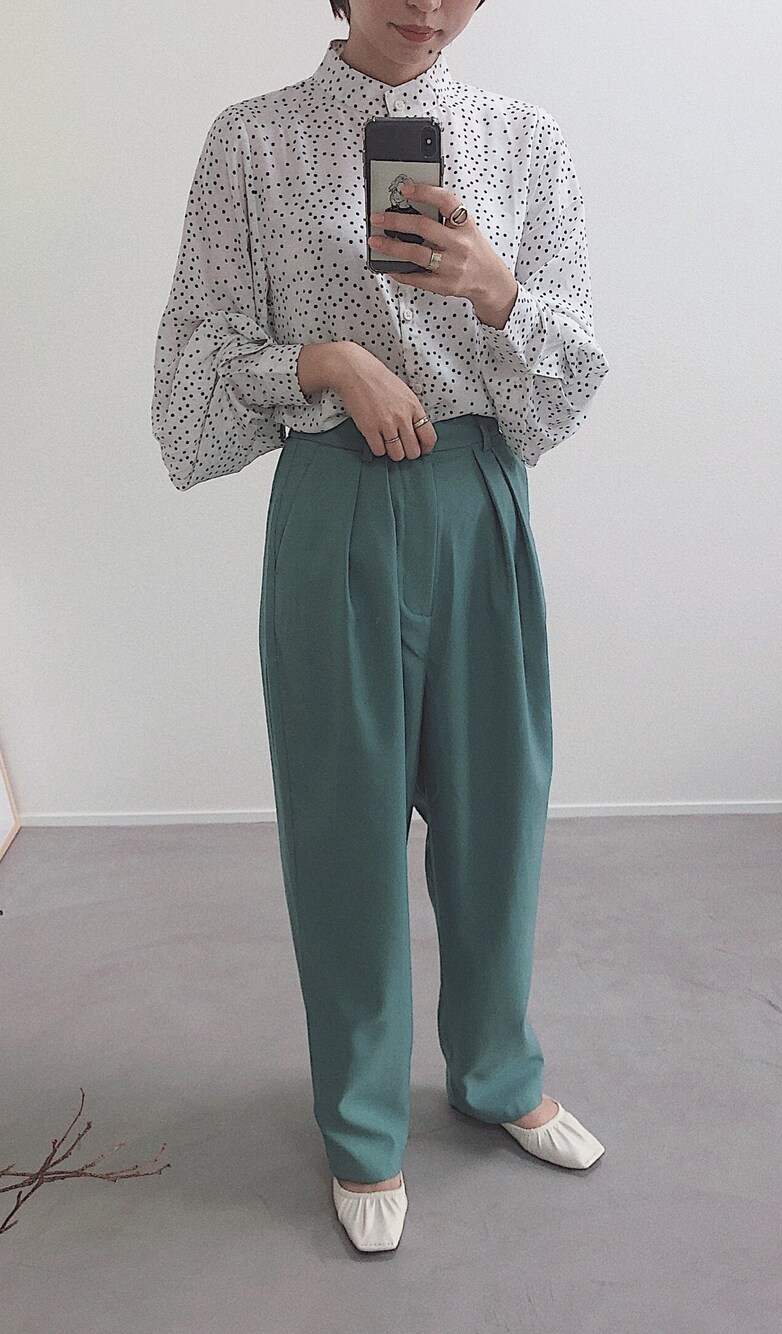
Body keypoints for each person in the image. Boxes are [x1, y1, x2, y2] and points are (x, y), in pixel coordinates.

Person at [151, 0, 610, 1253]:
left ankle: (498, 1071)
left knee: (499, 807)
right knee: (343, 822)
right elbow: (194, 355)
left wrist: (497, 293)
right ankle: (362, 1120)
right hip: (335, 496)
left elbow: (571, 374)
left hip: (478, 494)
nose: (431, 5)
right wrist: (327, 361)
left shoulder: (525, 139)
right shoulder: (252, 141)